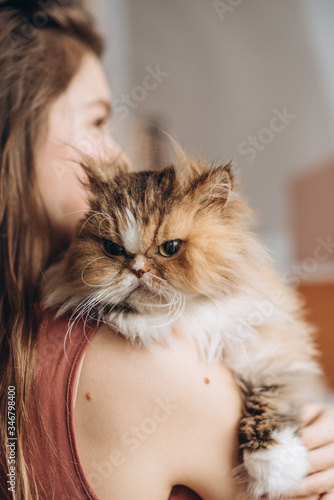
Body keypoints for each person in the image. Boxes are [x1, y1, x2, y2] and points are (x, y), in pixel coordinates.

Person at [0, 1, 333, 499]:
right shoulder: (161, 368)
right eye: (97, 122)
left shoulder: (22, 333)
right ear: (17, 135)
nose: (115, 154)